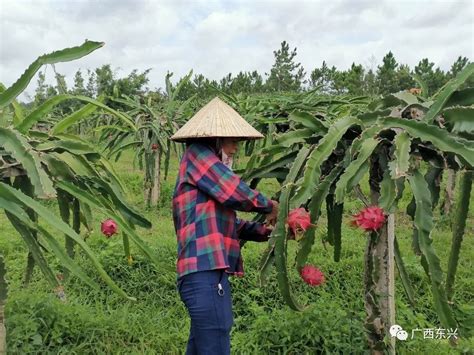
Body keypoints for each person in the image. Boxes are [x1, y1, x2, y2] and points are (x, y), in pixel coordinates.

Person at [170, 97, 279, 355]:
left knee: (201, 347)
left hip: (207, 274)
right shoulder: (197, 153)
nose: (234, 150)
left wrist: (268, 231)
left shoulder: (205, 181)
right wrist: (272, 206)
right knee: (215, 345)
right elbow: (233, 191)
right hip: (203, 273)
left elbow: (232, 225)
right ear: (216, 139)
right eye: (232, 142)